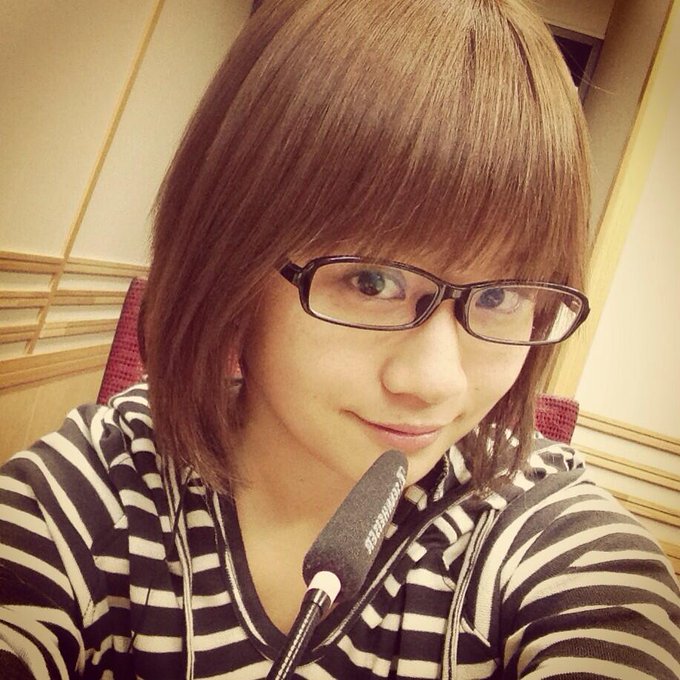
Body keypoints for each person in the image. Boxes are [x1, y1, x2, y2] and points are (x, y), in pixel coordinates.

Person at [1, 0, 679, 678]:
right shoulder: (98, 495)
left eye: (500, 296)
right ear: (231, 264)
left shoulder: (540, 529)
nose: (435, 382)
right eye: (371, 281)